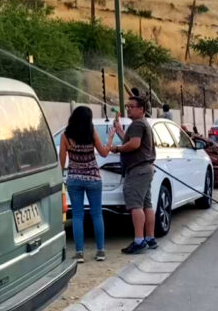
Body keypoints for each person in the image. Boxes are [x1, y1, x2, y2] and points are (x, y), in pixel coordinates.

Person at [59, 106, 114, 263]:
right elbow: (104, 152)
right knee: (96, 214)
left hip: (74, 179)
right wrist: (110, 139)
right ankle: (100, 251)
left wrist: (59, 181)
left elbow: (61, 163)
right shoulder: (91, 133)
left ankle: (79, 253)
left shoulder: (65, 136)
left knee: (77, 215)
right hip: (93, 178)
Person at [111, 96, 157, 254]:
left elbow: (134, 144)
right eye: (127, 106)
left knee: (136, 205)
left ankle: (139, 240)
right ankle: (150, 238)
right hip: (146, 169)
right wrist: (119, 132)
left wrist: (116, 149)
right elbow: (131, 140)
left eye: (132, 106)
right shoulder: (143, 123)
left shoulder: (137, 124)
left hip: (137, 170)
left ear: (141, 109)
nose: (128, 109)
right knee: (146, 204)